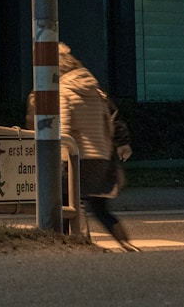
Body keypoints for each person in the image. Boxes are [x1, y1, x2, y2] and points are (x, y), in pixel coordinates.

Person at [57, 43, 138, 252]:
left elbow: (64, 127)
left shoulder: (63, 90)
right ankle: (127, 243)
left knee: (62, 203)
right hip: (100, 158)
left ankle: (64, 244)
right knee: (99, 207)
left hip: (76, 158)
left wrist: (59, 156)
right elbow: (110, 119)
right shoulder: (95, 91)